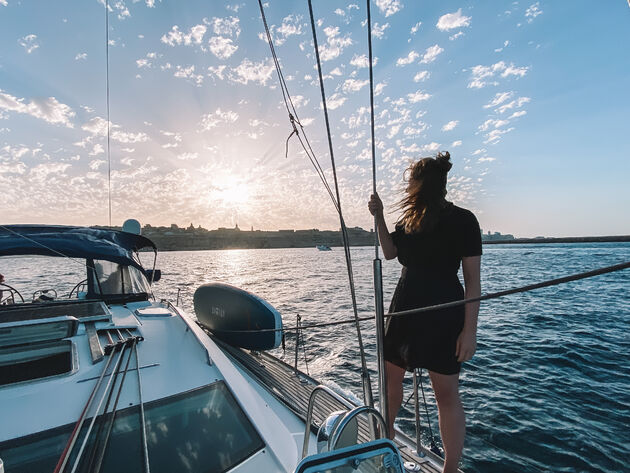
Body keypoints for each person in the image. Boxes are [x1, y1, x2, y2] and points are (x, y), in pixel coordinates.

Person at [368, 151, 481, 473]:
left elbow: (473, 282)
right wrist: (379, 217)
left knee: (445, 394)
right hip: (405, 307)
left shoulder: (463, 220)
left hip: (444, 312)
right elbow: (390, 253)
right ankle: (387, 451)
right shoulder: (410, 221)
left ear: (422, 183)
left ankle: (450, 469)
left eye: (411, 180)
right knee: (391, 385)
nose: (408, 186)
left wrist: (469, 331)